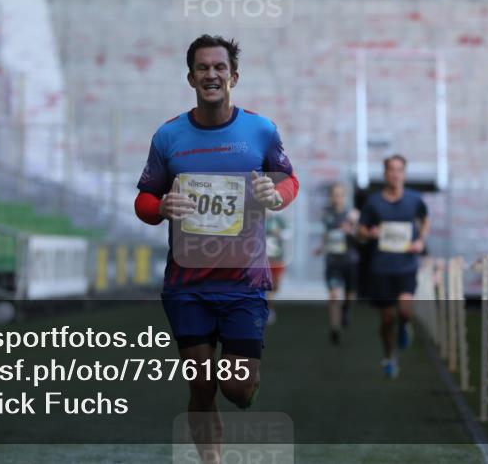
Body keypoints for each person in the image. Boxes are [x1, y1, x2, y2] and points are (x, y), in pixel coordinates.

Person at [134, 35, 299, 463]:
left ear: (234, 76)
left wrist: (276, 194)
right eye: (203, 68)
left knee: (236, 388)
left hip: (243, 283)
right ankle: (212, 460)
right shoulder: (169, 136)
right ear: (190, 77)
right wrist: (161, 206)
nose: (212, 75)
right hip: (187, 284)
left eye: (219, 68)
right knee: (202, 385)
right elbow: (144, 200)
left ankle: (247, 387)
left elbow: (289, 179)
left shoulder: (260, 131)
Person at [358, 155, 429, 379]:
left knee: (405, 310)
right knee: (387, 319)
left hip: (406, 265)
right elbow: (360, 229)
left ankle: (405, 325)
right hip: (382, 267)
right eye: (391, 170)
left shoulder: (414, 199)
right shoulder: (373, 202)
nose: (396, 174)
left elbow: (425, 219)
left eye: (400, 170)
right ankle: (389, 357)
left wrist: (420, 241)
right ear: (385, 173)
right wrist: (370, 233)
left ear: (404, 174)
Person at [314, 182, 359, 345]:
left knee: (350, 295)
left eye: (340, 195)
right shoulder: (327, 215)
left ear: (345, 197)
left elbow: (361, 237)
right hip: (333, 261)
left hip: (350, 260)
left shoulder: (353, 215)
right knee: (333, 295)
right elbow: (328, 235)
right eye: (334, 195)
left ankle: (346, 310)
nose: (337, 198)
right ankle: (335, 328)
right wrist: (320, 247)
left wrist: (352, 230)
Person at [264, 210, 289, 325]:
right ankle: (268, 309)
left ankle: (268, 306)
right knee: (266, 286)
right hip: (264, 260)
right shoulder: (256, 219)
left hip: (277, 258)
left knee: (276, 286)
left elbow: (288, 233)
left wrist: (280, 233)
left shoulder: (278, 219)